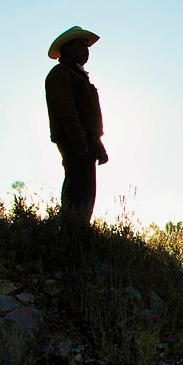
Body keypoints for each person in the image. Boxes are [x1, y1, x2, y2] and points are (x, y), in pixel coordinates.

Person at [45, 25, 107, 229]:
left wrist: (97, 142)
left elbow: (89, 115)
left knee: (87, 190)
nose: (86, 51)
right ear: (68, 48)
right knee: (78, 188)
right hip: (74, 140)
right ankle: (70, 232)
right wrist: (78, 139)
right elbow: (66, 110)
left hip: (86, 140)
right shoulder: (60, 74)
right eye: (81, 46)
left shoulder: (78, 76)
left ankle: (79, 230)